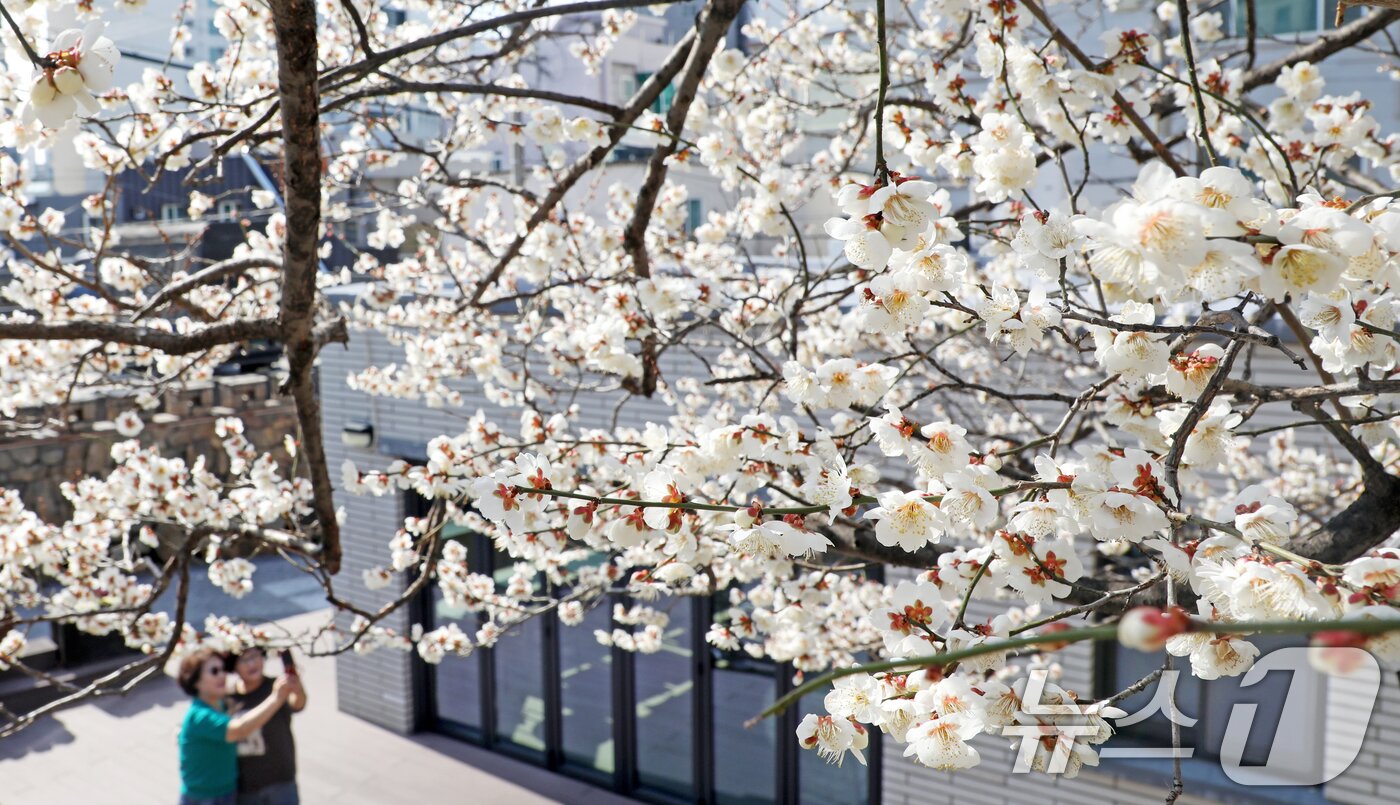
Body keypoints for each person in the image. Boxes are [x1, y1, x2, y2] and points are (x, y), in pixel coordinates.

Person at [177, 647, 292, 805]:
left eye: (223, 669)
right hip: (204, 798)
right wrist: (276, 698)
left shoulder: (221, 705)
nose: (222, 675)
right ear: (195, 680)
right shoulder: (200, 715)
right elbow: (239, 729)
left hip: (227, 792)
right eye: (214, 671)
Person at [228, 647, 307, 805]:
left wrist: (297, 688)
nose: (252, 663)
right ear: (234, 665)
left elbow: (297, 704)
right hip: (246, 785)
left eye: (255, 656)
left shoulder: (276, 685)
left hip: (281, 780)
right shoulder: (228, 697)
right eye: (244, 659)